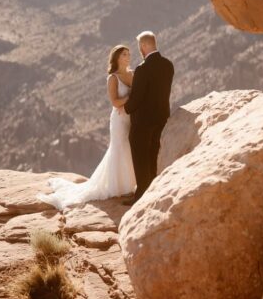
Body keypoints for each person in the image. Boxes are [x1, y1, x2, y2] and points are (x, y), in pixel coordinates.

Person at [37, 44, 136, 211]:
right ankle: (117, 187)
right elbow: (115, 102)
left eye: (128, 54)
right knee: (119, 148)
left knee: (130, 149)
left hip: (131, 118)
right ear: (117, 58)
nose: (128, 57)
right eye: (124, 54)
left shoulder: (133, 74)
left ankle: (129, 184)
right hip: (119, 120)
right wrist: (130, 96)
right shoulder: (113, 78)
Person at [123, 31, 174, 203]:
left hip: (143, 122)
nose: (139, 50)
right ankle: (153, 192)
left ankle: (141, 197)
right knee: (153, 155)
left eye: (139, 46)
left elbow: (137, 98)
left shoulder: (142, 69)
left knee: (140, 158)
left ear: (144, 46)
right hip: (161, 119)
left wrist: (127, 108)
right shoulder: (168, 65)